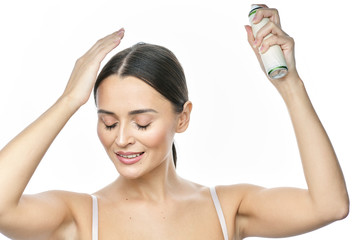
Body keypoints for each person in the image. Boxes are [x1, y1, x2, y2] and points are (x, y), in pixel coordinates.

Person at [0, 5, 349, 240]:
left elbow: (330, 205)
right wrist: (69, 101)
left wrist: (289, 84)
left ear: (182, 118)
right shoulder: (80, 216)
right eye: (108, 123)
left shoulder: (227, 208)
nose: (121, 139)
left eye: (141, 123)